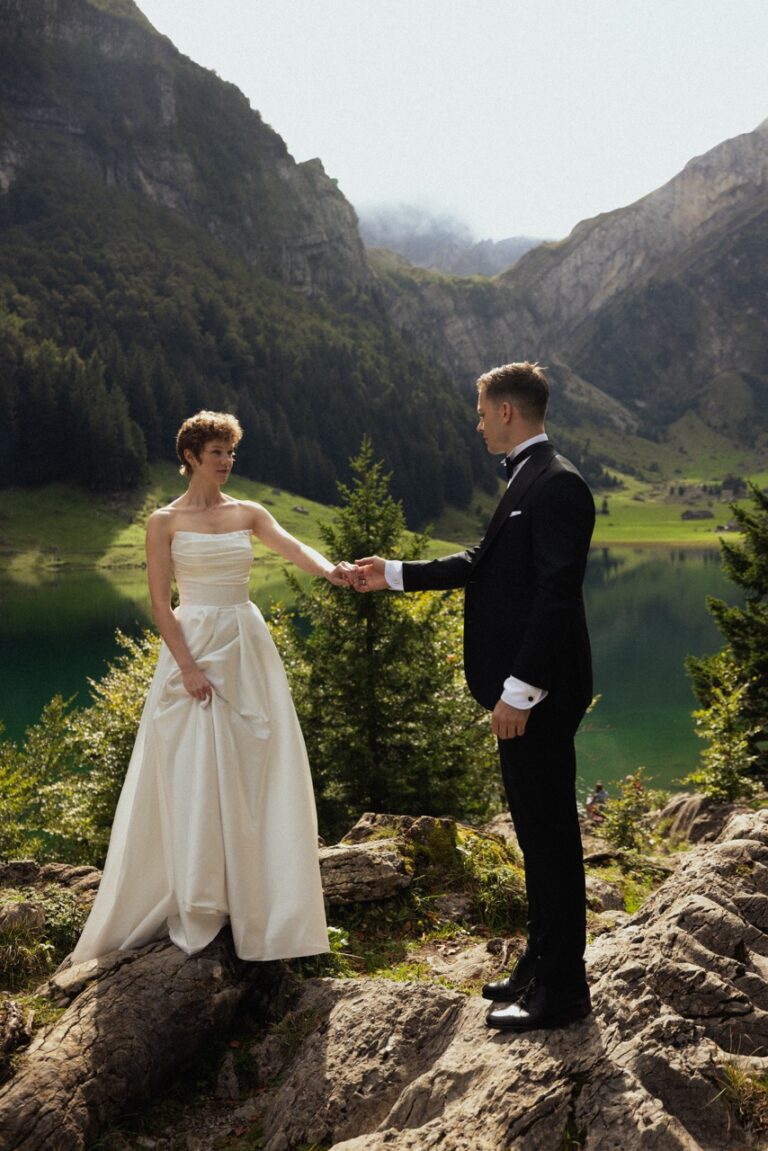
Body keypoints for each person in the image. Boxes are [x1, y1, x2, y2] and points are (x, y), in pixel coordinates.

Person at [354, 362, 595, 1032]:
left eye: (482, 409)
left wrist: (519, 692)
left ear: (508, 412)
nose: (477, 419)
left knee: (550, 841)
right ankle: (539, 965)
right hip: (527, 695)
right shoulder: (529, 478)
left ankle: (563, 991)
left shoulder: (559, 485)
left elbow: (555, 595)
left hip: (538, 696)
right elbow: (482, 562)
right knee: (533, 832)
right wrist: (394, 573)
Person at [72, 411, 355, 965]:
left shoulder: (249, 512)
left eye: (231, 453)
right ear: (191, 458)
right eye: (217, 454)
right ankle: (202, 895)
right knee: (193, 767)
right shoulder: (163, 522)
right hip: (194, 646)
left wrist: (333, 571)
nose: (226, 463)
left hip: (246, 645)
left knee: (257, 761)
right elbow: (159, 604)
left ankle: (259, 897)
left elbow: (295, 549)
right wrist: (188, 668)